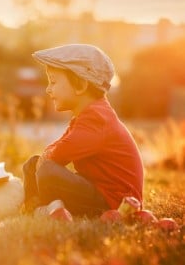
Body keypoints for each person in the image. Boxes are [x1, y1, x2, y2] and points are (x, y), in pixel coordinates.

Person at [22, 44, 144, 217]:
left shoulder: (97, 118)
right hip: (97, 190)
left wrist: (48, 158)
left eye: (54, 82)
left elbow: (63, 152)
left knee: (47, 169)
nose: (48, 89)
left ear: (81, 85)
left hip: (114, 202)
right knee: (33, 164)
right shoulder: (85, 117)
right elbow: (59, 147)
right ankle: (33, 208)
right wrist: (44, 158)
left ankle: (46, 209)